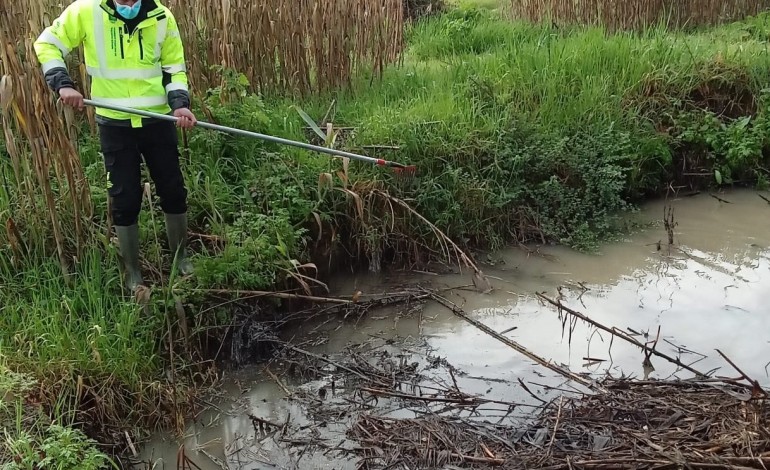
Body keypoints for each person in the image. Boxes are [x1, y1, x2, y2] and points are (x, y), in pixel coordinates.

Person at [33, 0, 197, 292]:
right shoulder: (85, 11)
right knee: (125, 198)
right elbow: (47, 44)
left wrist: (180, 105)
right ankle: (133, 275)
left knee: (173, 189)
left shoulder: (162, 16)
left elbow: (174, 69)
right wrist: (63, 84)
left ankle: (181, 260)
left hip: (157, 120)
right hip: (115, 124)